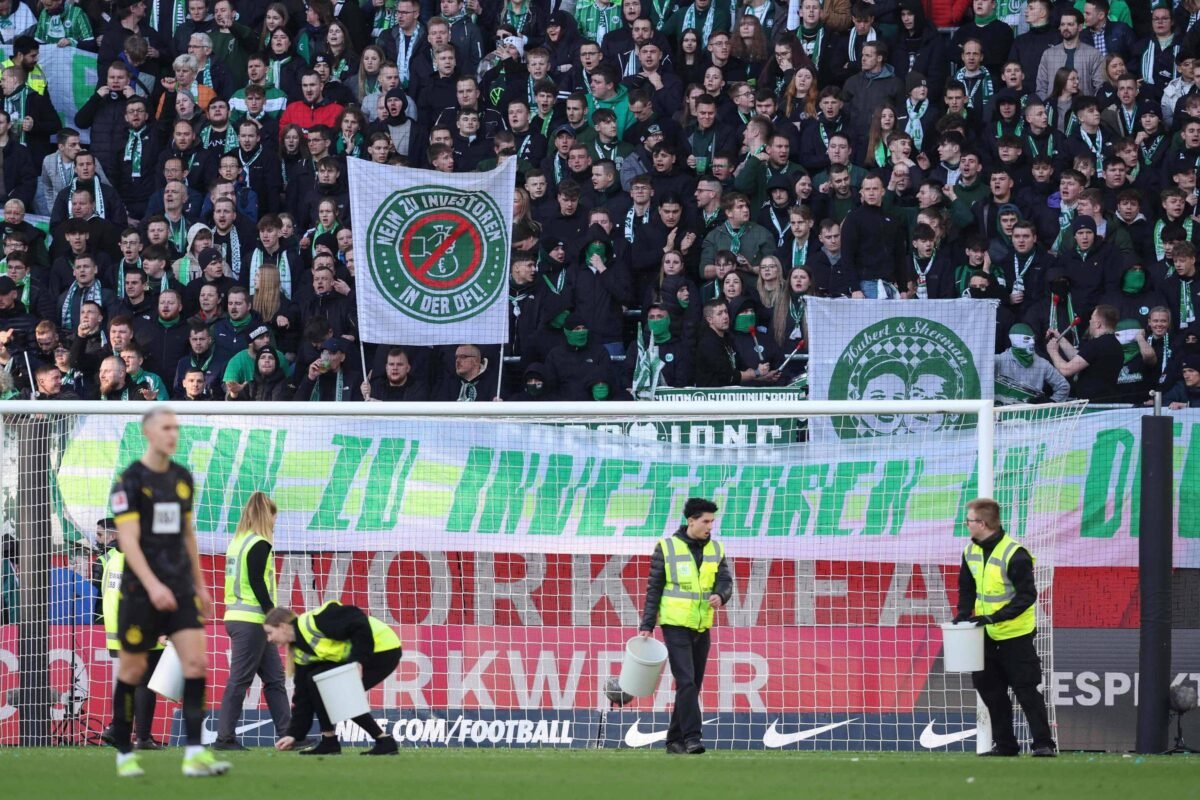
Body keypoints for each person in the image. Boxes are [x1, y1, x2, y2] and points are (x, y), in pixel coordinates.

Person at [107, 408, 230, 778]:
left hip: (179, 587)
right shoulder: (128, 482)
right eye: (165, 428)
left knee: (195, 664)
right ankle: (125, 752)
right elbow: (128, 541)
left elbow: (188, 535)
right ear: (147, 432)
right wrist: (152, 585)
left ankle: (194, 754)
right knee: (132, 669)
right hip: (140, 590)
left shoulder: (182, 478)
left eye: (175, 428)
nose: (172, 434)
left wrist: (201, 585)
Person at [953, 497, 1056, 758]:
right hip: (985, 634)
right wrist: (964, 614)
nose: (966, 525)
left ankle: (1043, 744)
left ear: (983, 523)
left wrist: (994, 617)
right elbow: (967, 587)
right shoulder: (970, 551)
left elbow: (1027, 596)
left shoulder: (1015, 554)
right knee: (990, 689)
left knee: (1026, 690)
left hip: (1015, 634)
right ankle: (1006, 745)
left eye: (969, 521)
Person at [637, 497, 731, 755]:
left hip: (702, 626)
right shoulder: (666, 547)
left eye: (712, 521)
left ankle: (673, 741)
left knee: (692, 685)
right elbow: (654, 587)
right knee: (686, 681)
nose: (710, 526)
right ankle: (692, 738)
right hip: (675, 625)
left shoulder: (716, 549)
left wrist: (721, 596)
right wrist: (647, 624)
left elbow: (726, 581)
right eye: (706, 521)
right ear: (691, 521)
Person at [264, 603, 401, 755]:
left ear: (282, 626)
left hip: (383, 648)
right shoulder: (300, 653)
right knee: (315, 682)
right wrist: (293, 735)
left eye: (270, 632)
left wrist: (357, 660)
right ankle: (330, 742)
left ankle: (383, 741)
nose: (269, 639)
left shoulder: (314, 622)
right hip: (366, 654)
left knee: (335, 692)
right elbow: (303, 697)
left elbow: (358, 620)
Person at [215, 492, 291, 751]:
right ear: (265, 514)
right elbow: (257, 582)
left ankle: (288, 735)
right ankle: (224, 738)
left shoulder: (237, 542)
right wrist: (273, 616)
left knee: (274, 678)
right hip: (252, 620)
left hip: (239, 616)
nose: (275, 521)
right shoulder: (259, 543)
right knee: (240, 680)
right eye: (273, 515)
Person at [97, 521, 165, 752]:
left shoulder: (114, 557)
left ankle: (118, 728)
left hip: (117, 633)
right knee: (145, 684)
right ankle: (140, 736)